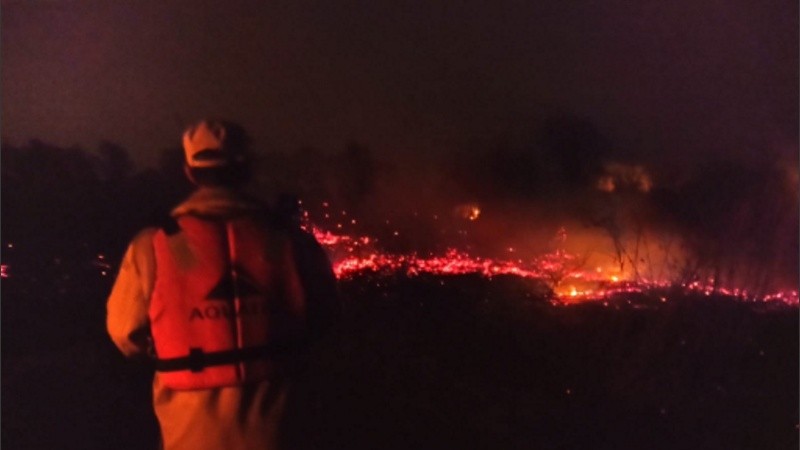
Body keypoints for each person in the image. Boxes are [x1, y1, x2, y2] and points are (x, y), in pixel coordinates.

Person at [106, 119, 338, 450]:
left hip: (190, 432)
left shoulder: (153, 245)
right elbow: (326, 319)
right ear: (247, 169)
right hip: (279, 428)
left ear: (189, 172)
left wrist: (179, 339)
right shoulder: (288, 240)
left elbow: (124, 333)